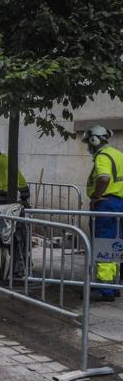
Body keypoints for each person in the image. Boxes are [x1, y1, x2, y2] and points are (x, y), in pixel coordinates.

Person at [83, 125, 122, 301]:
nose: (88, 147)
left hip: (107, 204)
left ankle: (105, 290)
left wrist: (96, 196)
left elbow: (104, 178)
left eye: (88, 142)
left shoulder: (102, 156)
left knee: (104, 245)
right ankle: (114, 285)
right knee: (116, 246)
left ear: (94, 140)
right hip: (119, 204)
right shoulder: (118, 155)